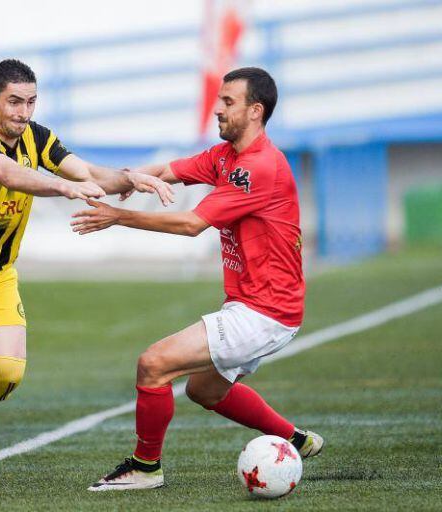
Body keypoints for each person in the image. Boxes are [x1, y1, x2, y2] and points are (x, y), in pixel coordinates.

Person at [0, 59, 173, 490]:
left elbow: (83, 170)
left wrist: (128, 178)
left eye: (30, 102)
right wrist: (64, 187)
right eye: (13, 102)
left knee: (7, 371)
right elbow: (7, 173)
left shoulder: (37, 137)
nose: (23, 113)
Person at [71, 67, 323, 491]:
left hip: (265, 311)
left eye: (228, 102)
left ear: (255, 111)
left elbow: (191, 225)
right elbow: (171, 169)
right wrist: (133, 178)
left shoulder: (258, 166)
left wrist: (118, 216)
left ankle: (145, 467)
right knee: (204, 391)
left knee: (153, 364)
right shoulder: (227, 156)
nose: (217, 108)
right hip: (258, 306)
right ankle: (295, 438)